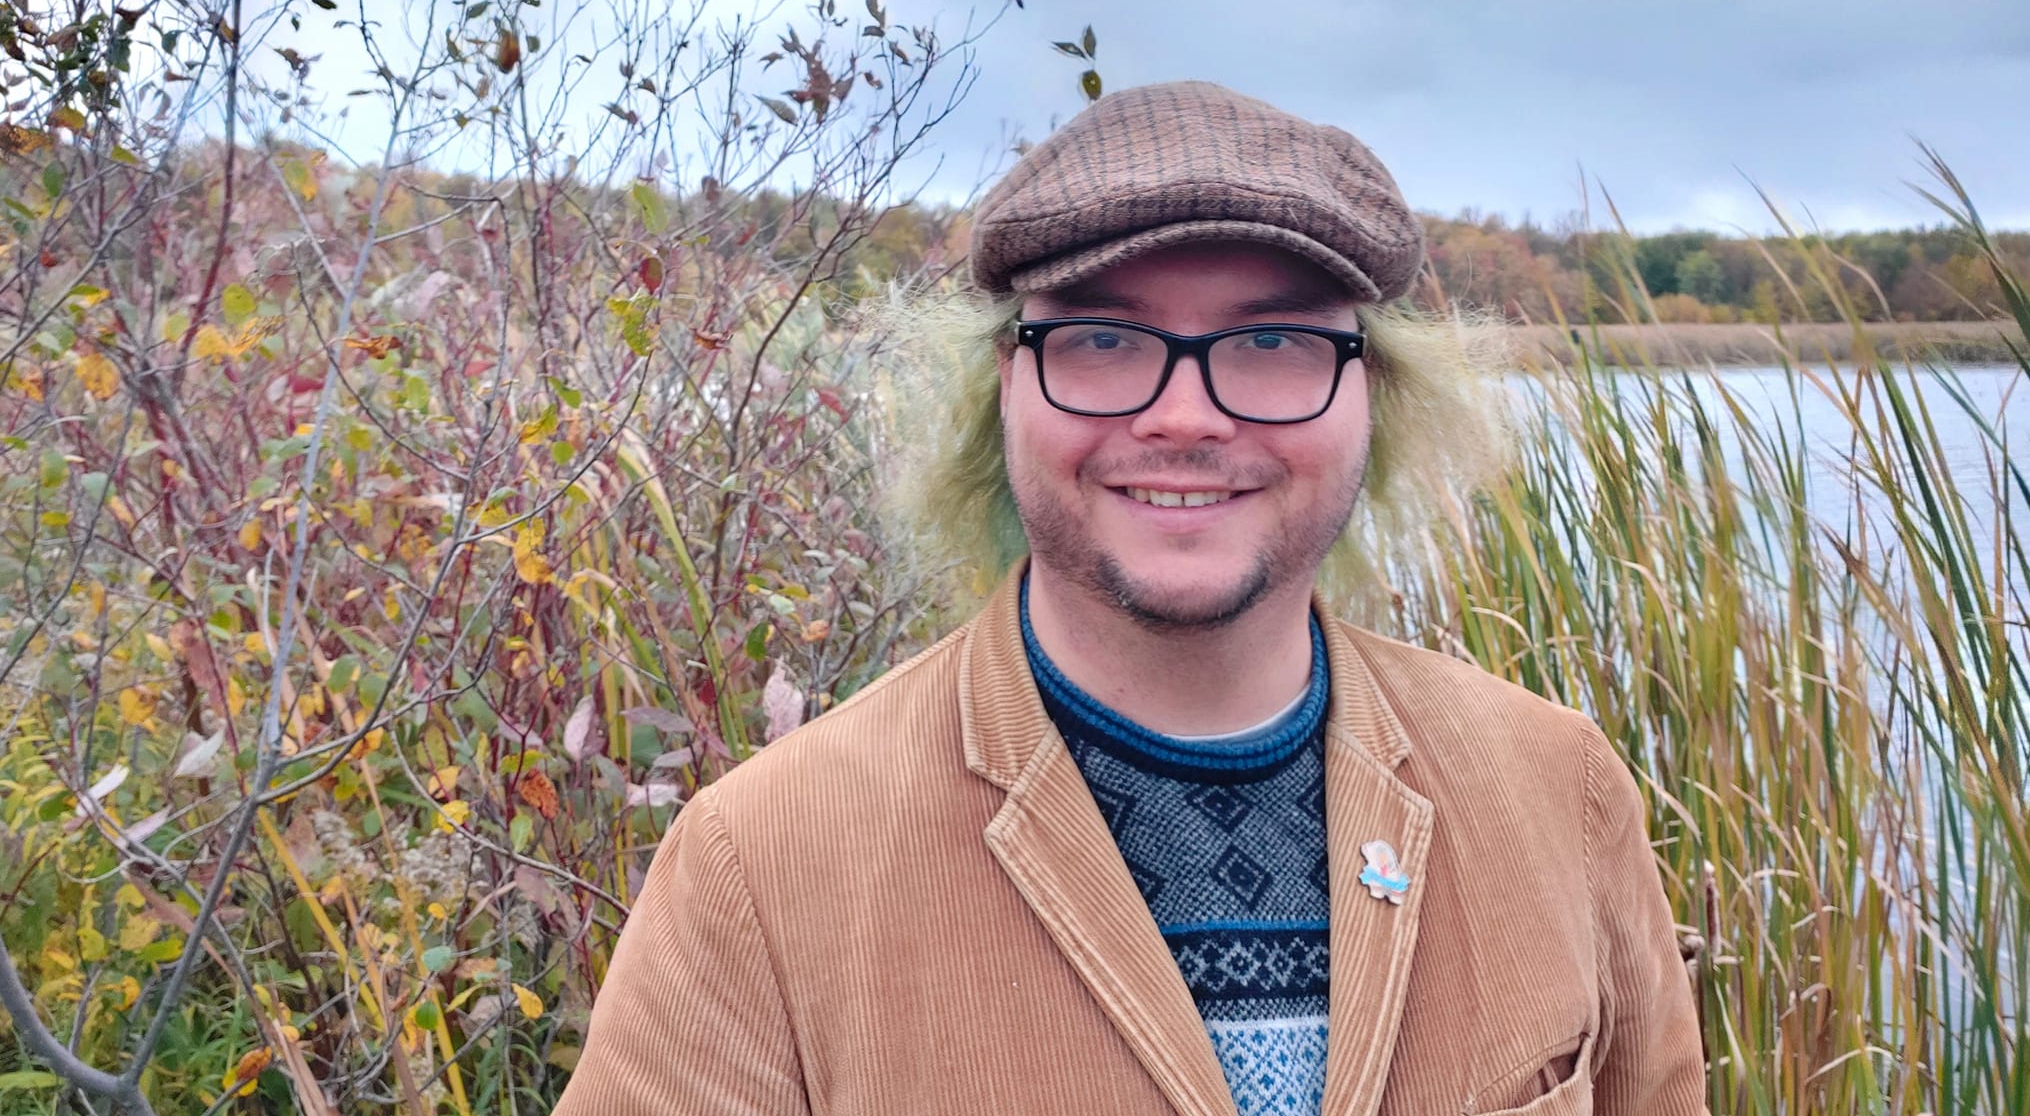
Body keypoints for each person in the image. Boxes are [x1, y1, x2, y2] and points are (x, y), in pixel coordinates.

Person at [552, 81, 1706, 1116]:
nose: (1187, 417)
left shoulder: (1560, 791)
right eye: (1102, 336)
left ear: (1375, 394)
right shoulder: (760, 865)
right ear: (1003, 385)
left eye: (1271, 338)